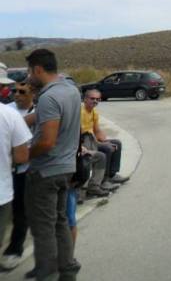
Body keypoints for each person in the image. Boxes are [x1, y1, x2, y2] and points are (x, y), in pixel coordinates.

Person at [24, 48, 81, 280]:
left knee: (43, 227)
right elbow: (45, 116)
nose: (29, 76)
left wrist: (25, 155)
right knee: (60, 222)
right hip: (66, 169)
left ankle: (46, 273)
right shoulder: (70, 90)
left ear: (38, 69)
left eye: (30, 71)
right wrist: (15, 121)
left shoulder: (49, 97)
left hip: (45, 172)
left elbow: (47, 142)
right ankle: (67, 270)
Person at [1, 82, 36, 270]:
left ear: (33, 94)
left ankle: (15, 249)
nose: (16, 94)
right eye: (14, 91)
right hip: (7, 170)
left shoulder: (41, 112)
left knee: (21, 212)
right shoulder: (8, 110)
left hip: (24, 171)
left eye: (22, 92)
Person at [80, 89, 129, 187]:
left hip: (93, 140)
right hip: (84, 142)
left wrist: (105, 140)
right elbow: (82, 134)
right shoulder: (81, 112)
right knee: (107, 148)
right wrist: (103, 144)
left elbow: (97, 130)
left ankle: (112, 175)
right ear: (85, 99)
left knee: (117, 143)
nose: (95, 101)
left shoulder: (94, 112)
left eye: (97, 99)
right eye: (92, 98)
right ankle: (103, 180)